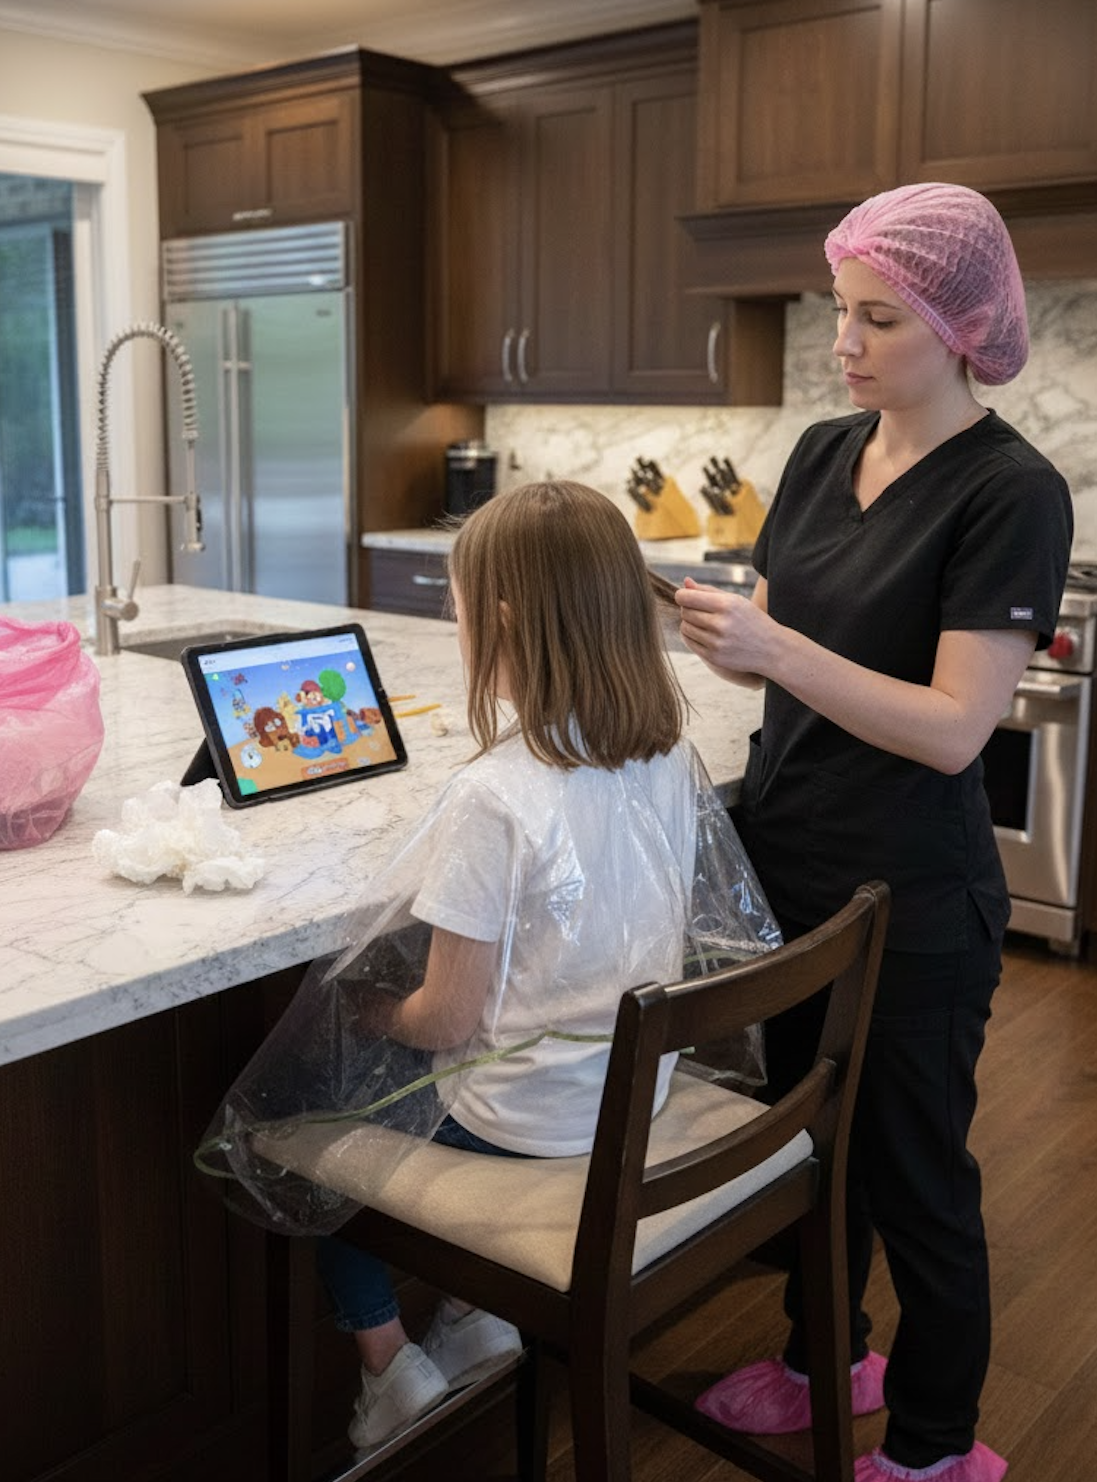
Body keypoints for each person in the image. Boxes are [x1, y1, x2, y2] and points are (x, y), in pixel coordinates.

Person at [674, 182, 1073, 1482]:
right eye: (837, 309)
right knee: (807, 1143)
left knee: (915, 1181)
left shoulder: (1009, 490)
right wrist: (736, 646)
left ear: (964, 329)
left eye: (876, 318)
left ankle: (936, 1443)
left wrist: (775, 640)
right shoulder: (816, 453)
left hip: (909, 895)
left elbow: (958, 726)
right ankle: (819, 1361)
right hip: (786, 859)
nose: (840, 343)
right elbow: (795, 662)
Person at [307, 480, 761, 1452]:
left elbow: (445, 1022)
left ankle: (387, 1368)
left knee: (317, 1121)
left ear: (503, 620)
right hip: (628, 1102)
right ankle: (473, 1319)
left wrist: (372, 1015)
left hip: (527, 1131)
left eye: (459, 606)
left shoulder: (492, 797)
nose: (453, 621)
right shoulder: (668, 754)